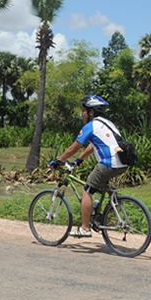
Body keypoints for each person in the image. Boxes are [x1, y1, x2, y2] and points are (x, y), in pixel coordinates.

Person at [50, 95, 128, 237]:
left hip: (109, 162)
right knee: (102, 183)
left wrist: (57, 161)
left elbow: (74, 147)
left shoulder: (91, 126)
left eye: (84, 111)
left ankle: (85, 228)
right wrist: (79, 160)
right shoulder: (107, 124)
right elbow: (92, 146)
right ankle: (113, 204)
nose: (82, 114)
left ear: (91, 112)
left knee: (87, 190)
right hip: (123, 162)